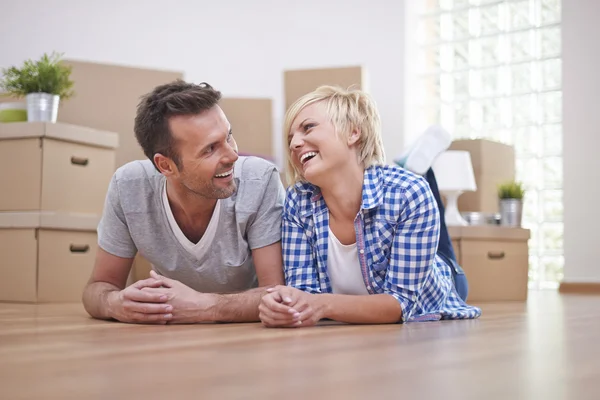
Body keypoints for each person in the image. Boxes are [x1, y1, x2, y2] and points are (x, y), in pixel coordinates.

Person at [258, 86, 481, 328]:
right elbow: (303, 293)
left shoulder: (409, 192)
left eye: (308, 127)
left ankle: (423, 169)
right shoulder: (297, 201)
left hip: (434, 288)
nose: (294, 144)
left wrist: (320, 304)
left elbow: (401, 303)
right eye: (290, 138)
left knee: (448, 263)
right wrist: (285, 307)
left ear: (354, 132)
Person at [82, 80, 285, 325]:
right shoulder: (128, 187)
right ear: (165, 165)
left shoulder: (260, 180)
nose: (233, 155)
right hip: (168, 340)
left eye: (228, 136)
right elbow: (98, 288)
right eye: (210, 148)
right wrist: (115, 303)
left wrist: (206, 307)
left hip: (249, 338)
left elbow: (277, 294)